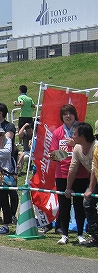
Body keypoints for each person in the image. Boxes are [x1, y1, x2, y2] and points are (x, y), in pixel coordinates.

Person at [50, 104, 83, 245]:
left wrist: (75, 143)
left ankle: (81, 234)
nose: (68, 116)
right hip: (62, 173)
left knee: (79, 204)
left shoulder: (81, 129)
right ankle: (64, 234)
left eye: (70, 113)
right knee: (64, 205)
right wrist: (60, 155)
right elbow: (52, 153)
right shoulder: (58, 132)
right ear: (62, 117)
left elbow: (88, 146)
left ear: (75, 115)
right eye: (65, 114)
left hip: (81, 172)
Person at [82, 120, 98, 245]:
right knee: (87, 203)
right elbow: (94, 168)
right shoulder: (96, 150)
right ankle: (95, 235)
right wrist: (91, 188)